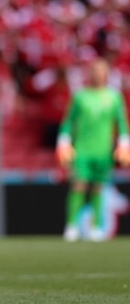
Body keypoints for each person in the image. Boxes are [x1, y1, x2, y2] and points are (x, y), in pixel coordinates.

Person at [56, 58, 130, 242]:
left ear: (106, 74)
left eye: (101, 71)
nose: (97, 75)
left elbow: (121, 122)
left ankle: (97, 227)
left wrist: (124, 142)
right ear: (90, 74)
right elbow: (68, 121)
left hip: (103, 151)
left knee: (99, 188)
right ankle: (71, 226)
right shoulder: (81, 96)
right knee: (79, 185)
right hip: (82, 149)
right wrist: (64, 141)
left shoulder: (114, 97)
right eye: (95, 71)